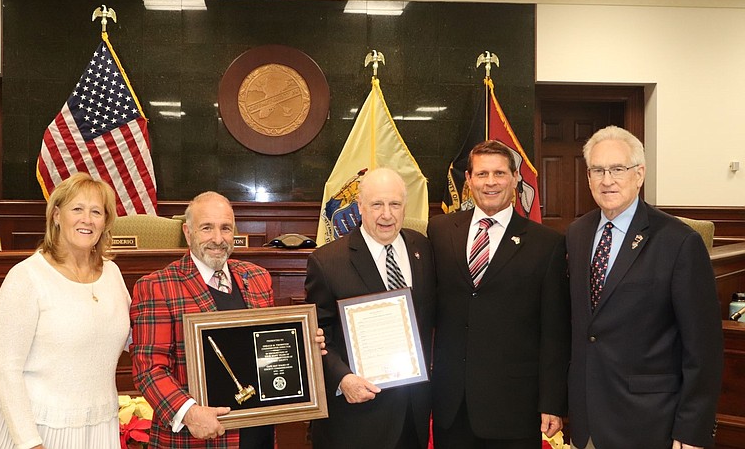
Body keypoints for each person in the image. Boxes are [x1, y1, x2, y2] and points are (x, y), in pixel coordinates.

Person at [567, 125, 723, 449]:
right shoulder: (577, 233)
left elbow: (703, 348)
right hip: (587, 422)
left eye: (617, 169)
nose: (606, 179)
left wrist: (692, 429)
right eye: (598, 170)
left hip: (651, 423)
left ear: (639, 174)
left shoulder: (679, 242)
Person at [130, 191, 324, 448]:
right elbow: (149, 369)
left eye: (226, 228)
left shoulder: (257, 278)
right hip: (198, 438)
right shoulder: (157, 286)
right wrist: (189, 412)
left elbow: (266, 347)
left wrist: (303, 347)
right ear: (188, 233)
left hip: (258, 432)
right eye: (207, 228)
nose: (218, 239)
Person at [427, 140, 570, 449]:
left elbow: (555, 331)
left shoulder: (546, 244)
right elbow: (424, 306)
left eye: (499, 173)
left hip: (514, 409)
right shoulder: (438, 231)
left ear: (515, 178)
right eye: (481, 174)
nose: (490, 182)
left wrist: (552, 402)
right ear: (468, 179)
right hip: (452, 407)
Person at [0, 172, 130, 449]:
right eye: (77, 209)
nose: (87, 219)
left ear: (105, 222)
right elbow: (5, 369)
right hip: (40, 427)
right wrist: (29, 442)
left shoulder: (112, 272)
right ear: (57, 215)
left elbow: (129, 336)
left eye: (96, 211)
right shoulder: (26, 277)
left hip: (99, 424)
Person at [304, 167, 436, 449]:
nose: (386, 214)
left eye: (394, 204)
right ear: (360, 207)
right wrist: (343, 378)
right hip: (356, 420)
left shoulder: (423, 248)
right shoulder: (328, 261)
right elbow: (316, 335)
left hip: (414, 414)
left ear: (404, 207)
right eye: (377, 204)